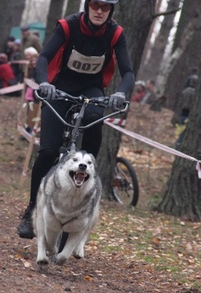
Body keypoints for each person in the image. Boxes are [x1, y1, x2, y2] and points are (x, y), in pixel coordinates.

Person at [16, 0, 134, 239]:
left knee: (93, 128)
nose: (99, 11)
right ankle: (32, 211)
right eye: (95, 6)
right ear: (88, 6)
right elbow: (43, 58)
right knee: (48, 152)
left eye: (105, 7)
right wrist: (45, 84)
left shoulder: (115, 34)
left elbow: (128, 71)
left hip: (91, 91)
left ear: (111, 10)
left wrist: (120, 92)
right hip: (59, 90)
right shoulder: (67, 26)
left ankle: (80, 212)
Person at [175, 74, 198, 149]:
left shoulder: (185, 91)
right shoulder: (196, 93)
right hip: (189, 115)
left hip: (182, 114)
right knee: (183, 134)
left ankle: (177, 146)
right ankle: (177, 147)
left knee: (181, 132)